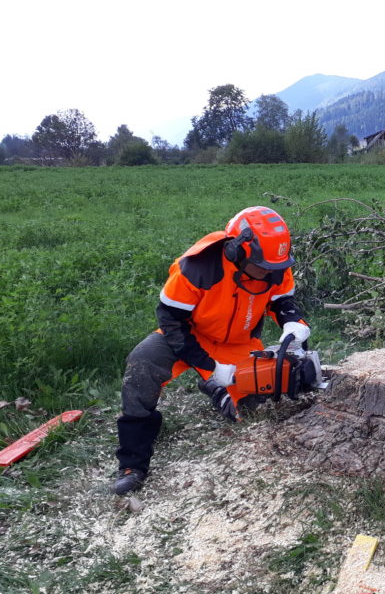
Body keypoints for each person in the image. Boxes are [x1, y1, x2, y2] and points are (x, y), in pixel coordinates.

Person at [112, 206, 310, 495]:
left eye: (274, 267)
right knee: (142, 364)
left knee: (253, 410)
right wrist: (211, 366)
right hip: (187, 334)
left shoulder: (273, 265)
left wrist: (292, 321)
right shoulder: (196, 267)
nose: (269, 273)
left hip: (238, 342)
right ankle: (132, 464)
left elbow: (282, 301)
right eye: (262, 267)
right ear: (236, 250)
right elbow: (171, 322)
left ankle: (216, 391)